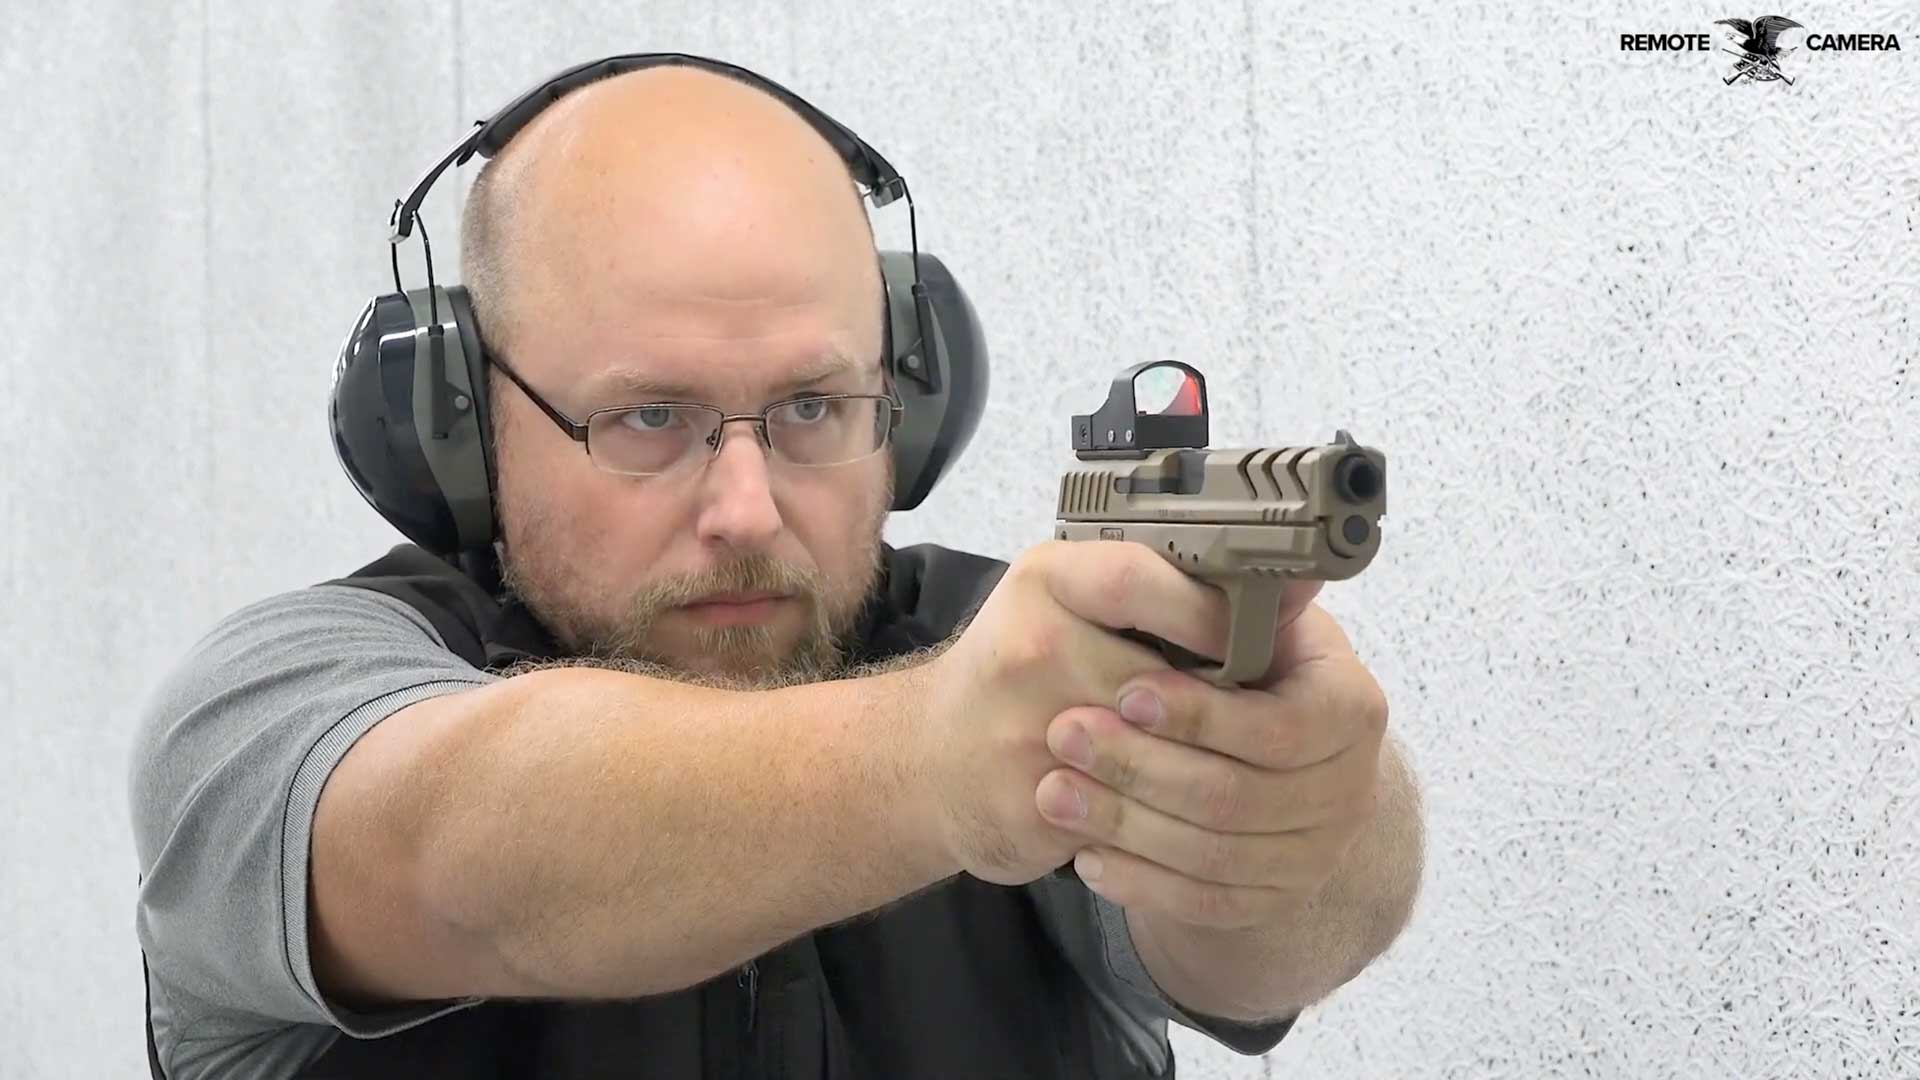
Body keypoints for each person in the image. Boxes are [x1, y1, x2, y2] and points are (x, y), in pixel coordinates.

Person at [128, 54, 1425, 1080]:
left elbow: (1268, 946)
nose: (746, 508)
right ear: (457, 429)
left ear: (909, 404)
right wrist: (934, 762)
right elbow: (466, 860)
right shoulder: (272, 713)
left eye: (812, 408)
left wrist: (1302, 803)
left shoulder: (1024, 661)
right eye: (650, 419)